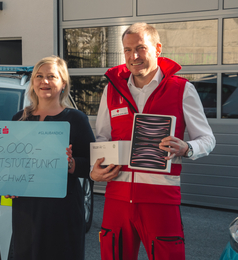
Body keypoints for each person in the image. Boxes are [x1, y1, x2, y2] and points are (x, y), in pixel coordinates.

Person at [90, 23, 216, 260]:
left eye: (140, 48)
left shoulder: (182, 89)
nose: (133, 56)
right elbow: (102, 138)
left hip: (160, 199)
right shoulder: (112, 90)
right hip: (117, 196)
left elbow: (207, 139)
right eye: (127, 50)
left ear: (158, 48)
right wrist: (93, 172)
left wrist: (187, 148)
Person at [10, 56, 95, 260]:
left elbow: (93, 164)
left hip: (62, 212)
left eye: (51, 76)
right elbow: (10, 162)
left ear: (63, 83)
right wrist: (8, 183)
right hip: (26, 210)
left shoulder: (76, 119)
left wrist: (72, 164)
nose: (44, 81)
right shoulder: (18, 119)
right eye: (39, 76)